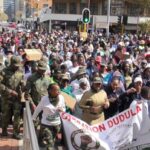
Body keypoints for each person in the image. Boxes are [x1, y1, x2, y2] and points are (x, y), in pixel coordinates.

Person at [32, 83, 66, 149]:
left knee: (52, 141)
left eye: (59, 90)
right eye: (56, 90)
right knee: (50, 144)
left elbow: (64, 108)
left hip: (57, 125)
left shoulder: (61, 98)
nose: (59, 92)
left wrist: (62, 110)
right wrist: (33, 118)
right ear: (50, 91)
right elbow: (38, 108)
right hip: (46, 124)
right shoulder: (44, 99)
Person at [0, 56, 24, 139]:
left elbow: (22, 81)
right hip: (6, 98)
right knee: (6, 115)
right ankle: (4, 130)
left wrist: (23, 85)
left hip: (17, 98)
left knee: (17, 116)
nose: (17, 67)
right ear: (11, 63)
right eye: (16, 65)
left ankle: (16, 133)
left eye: (18, 65)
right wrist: (10, 91)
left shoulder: (20, 71)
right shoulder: (3, 72)